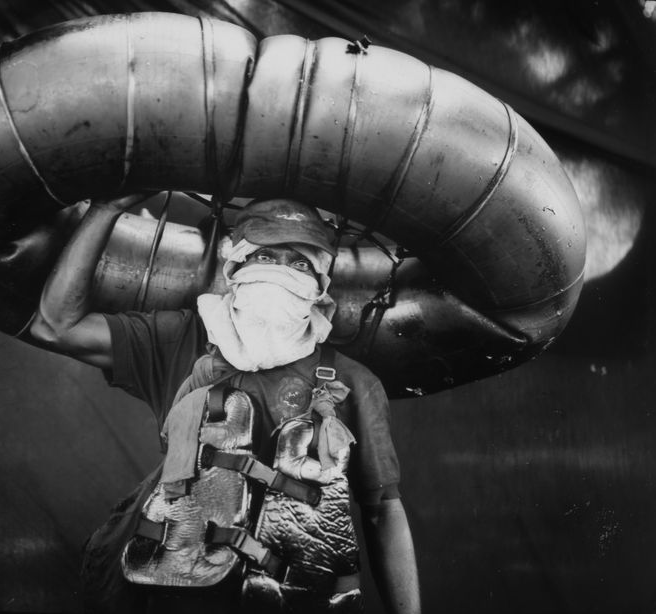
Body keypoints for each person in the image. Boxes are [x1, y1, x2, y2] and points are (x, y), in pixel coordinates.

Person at [30, 194, 421, 614]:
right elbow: (55, 326)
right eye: (266, 255)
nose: (282, 272)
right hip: (176, 591)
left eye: (301, 263)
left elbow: (384, 512)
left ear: (321, 285)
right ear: (235, 264)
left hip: (290, 599)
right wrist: (106, 209)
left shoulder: (354, 382)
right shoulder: (181, 341)